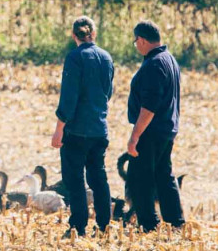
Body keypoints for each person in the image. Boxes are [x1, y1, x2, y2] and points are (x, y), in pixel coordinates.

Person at [51, 16, 114, 236]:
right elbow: (108, 92)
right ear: (93, 34)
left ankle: (79, 225)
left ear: (73, 35)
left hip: (77, 130)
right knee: (99, 178)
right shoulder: (106, 58)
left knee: (75, 179)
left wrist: (59, 127)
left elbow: (69, 97)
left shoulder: (74, 58)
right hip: (99, 128)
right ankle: (105, 224)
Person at [125, 20, 185, 231]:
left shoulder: (154, 64)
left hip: (151, 130)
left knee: (139, 178)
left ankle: (149, 224)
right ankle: (175, 221)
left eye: (136, 42)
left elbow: (149, 106)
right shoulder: (169, 59)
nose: (136, 47)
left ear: (141, 40)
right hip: (167, 128)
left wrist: (135, 136)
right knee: (163, 175)